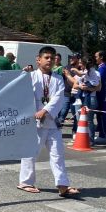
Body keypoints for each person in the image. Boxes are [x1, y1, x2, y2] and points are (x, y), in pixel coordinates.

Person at [17, 46, 80, 197]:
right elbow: (22, 95)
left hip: (51, 121)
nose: (50, 60)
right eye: (47, 58)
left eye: (52, 58)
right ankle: (25, 182)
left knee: (57, 154)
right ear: (38, 60)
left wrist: (45, 111)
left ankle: (62, 184)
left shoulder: (58, 78)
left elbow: (59, 98)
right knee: (31, 152)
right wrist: (22, 76)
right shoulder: (30, 77)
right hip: (34, 122)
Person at [94, 51, 106, 144]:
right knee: (100, 115)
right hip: (101, 94)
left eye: (96, 56)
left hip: (102, 95)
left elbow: (98, 81)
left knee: (102, 115)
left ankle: (103, 135)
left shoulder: (103, 68)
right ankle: (102, 134)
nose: (95, 58)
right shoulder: (102, 67)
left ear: (101, 57)